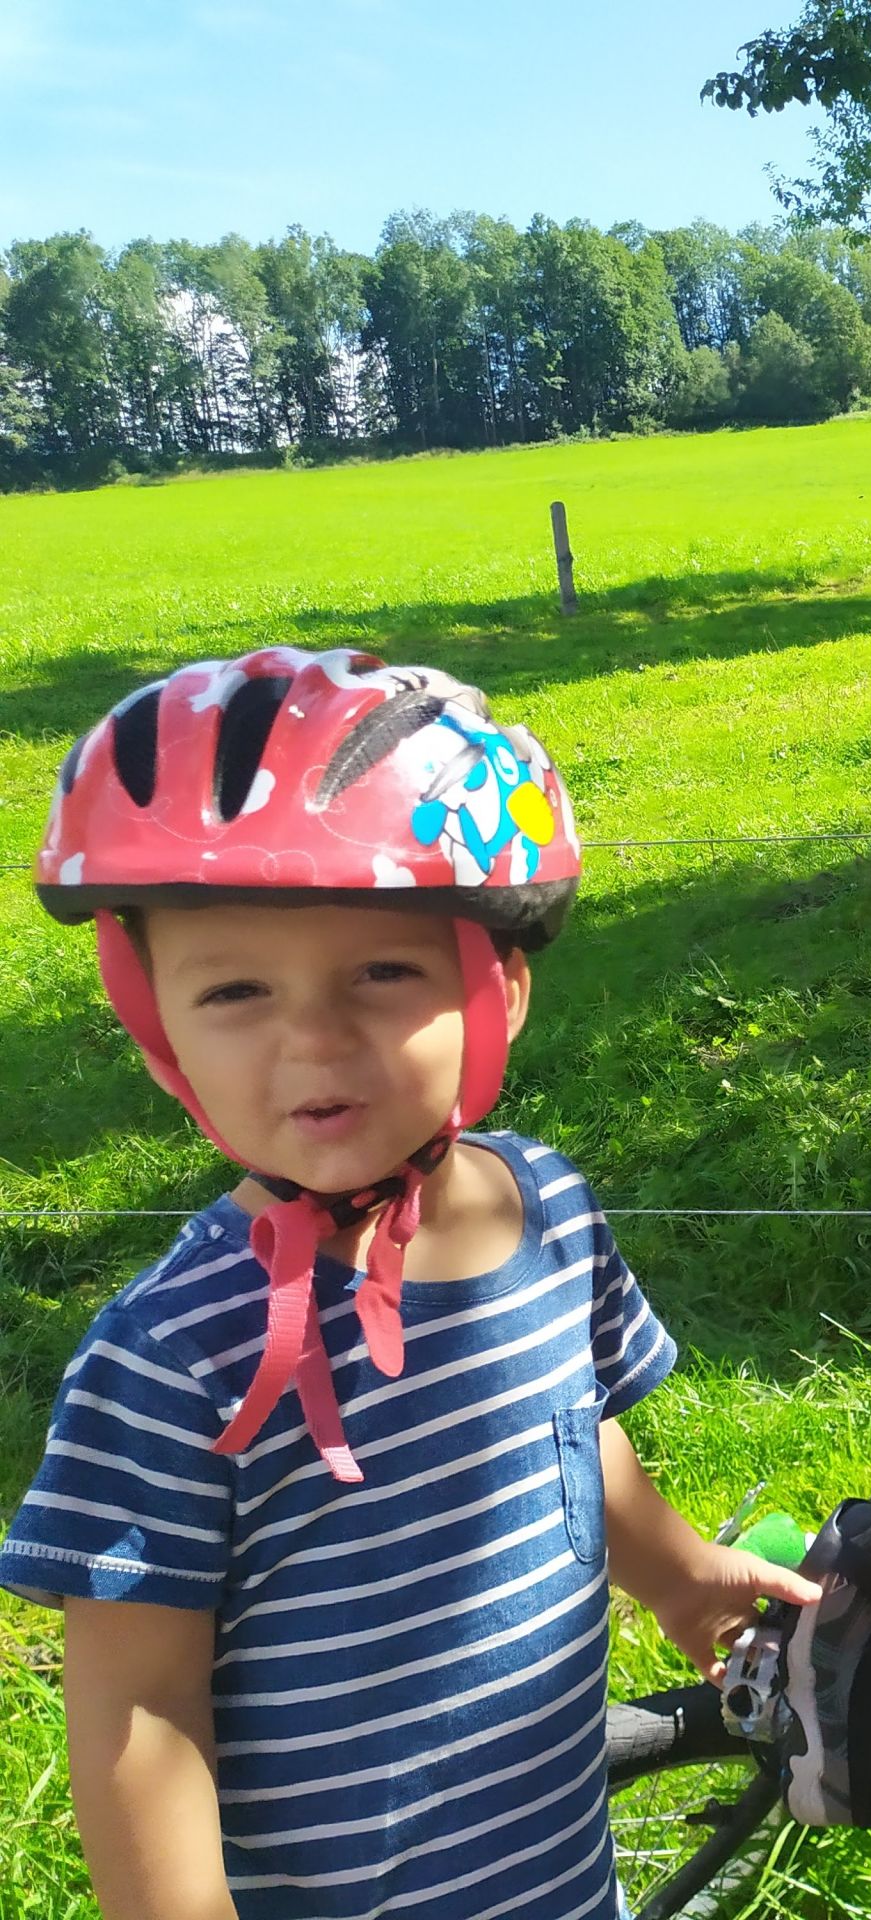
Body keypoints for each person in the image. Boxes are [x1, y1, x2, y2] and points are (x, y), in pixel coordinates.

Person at [0, 648, 821, 1920]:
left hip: (553, 1877)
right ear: (154, 1023)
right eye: (233, 990)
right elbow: (138, 1705)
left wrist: (675, 1572)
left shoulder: (544, 1204)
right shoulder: (174, 1353)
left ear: (496, 989)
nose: (315, 1039)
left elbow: (568, 1430)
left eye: (383, 973)